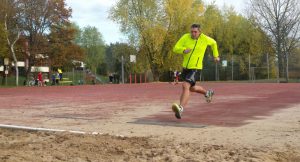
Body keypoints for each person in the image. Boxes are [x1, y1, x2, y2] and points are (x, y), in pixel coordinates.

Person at [171, 24, 220, 119]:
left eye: (195, 32)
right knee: (191, 88)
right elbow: (175, 48)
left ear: (199, 32)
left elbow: (214, 43)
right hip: (185, 68)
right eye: (192, 31)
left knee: (185, 85)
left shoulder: (204, 39)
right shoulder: (185, 37)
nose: (193, 34)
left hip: (196, 68)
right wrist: (183, 50)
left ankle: (181, 109)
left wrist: (215, 56)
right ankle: (207, 93)